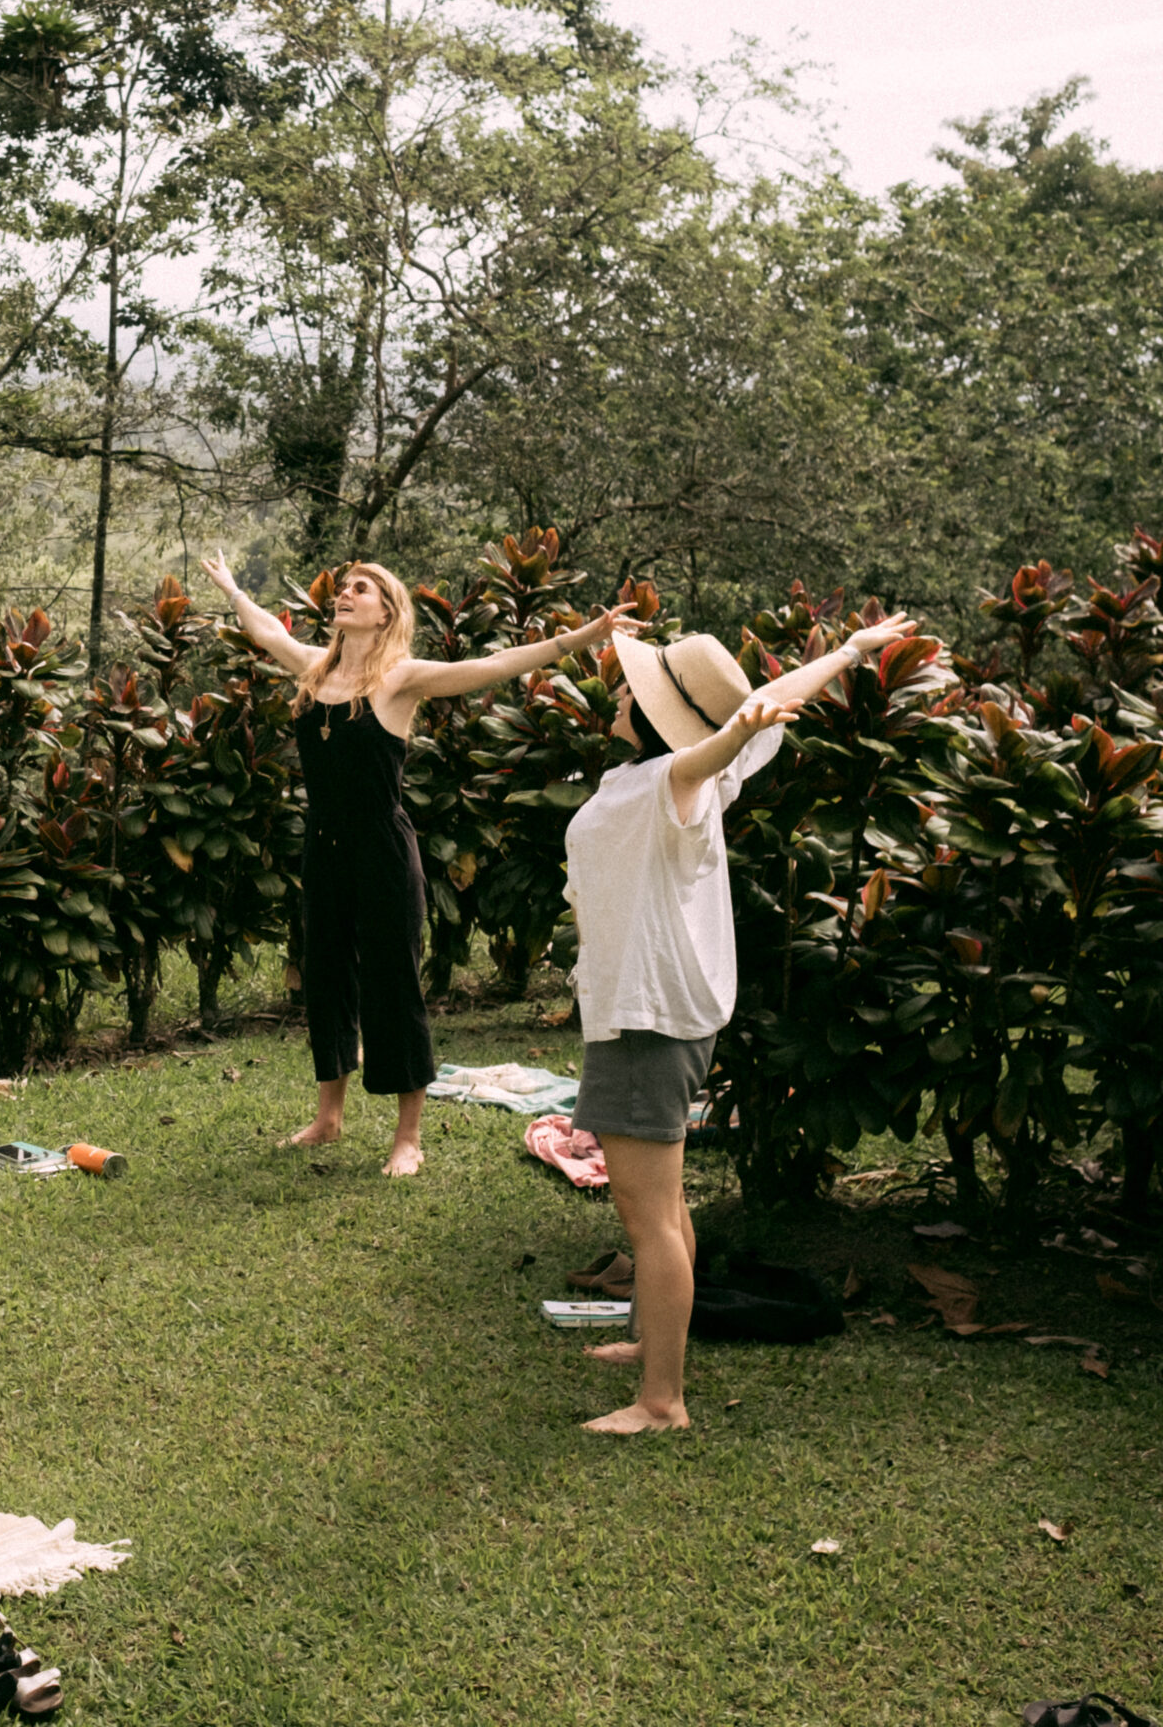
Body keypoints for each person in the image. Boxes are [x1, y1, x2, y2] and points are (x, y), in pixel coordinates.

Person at [568, 612, 914, 1435]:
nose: (619, 689)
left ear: (657, 716)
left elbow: (718, 743)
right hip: (647, 1011)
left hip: (649, 1021)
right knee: (661, 1203)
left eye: (633, 687)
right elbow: (758, 709)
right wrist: (845, 654)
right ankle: (659, 1339)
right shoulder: (666, 778)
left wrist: (731, 732)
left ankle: (662, 1400)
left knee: (646, 1213)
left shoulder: (675, 782)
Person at [200, 553, 640, 1174]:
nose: (346, 594)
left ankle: (409, 1137)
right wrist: (232, 588)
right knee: (325, 977)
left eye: (362, 589)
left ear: (387, 613)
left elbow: (491, 666)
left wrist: (582, 637)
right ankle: (329, 1117)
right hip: (323, 849)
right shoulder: (315, 669)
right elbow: (268, 632)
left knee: (392, 983)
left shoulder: (401, 679)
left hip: (381, 849)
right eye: (345, 587)